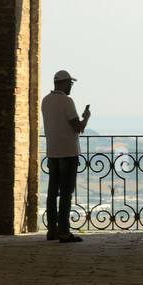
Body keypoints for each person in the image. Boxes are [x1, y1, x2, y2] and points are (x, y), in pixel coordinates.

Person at [40, 69, 90, 243]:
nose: (71, 86)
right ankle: (64, 232)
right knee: (66, 193)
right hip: (68, 152)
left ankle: (51, 230)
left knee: (52, 192)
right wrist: (86, 118)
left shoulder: (45, 101)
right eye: (70, 83)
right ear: (63, 83)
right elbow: (77, 127)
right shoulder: (67, 101)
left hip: (52, 152)